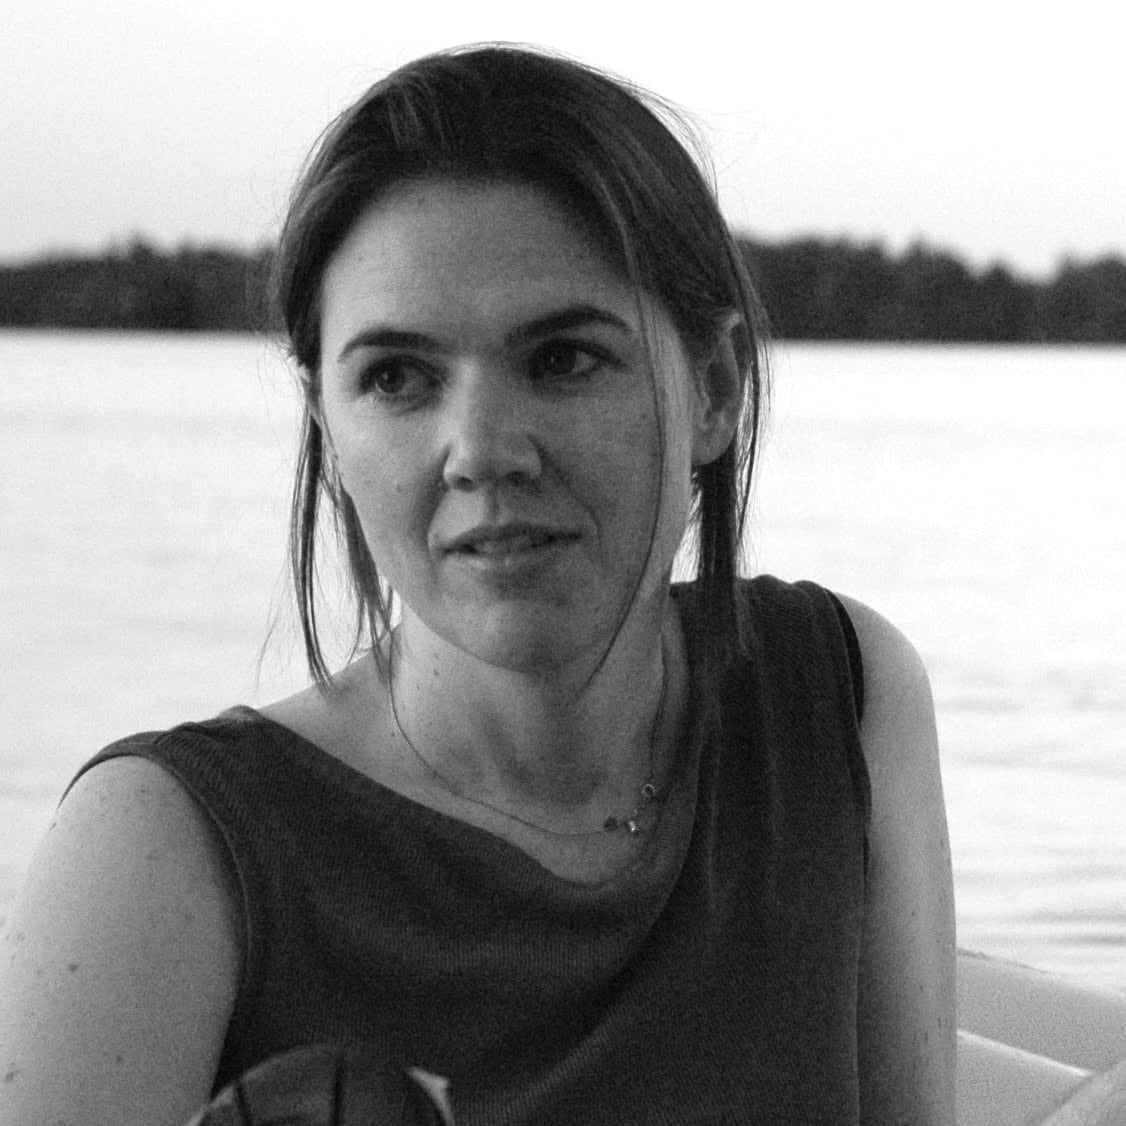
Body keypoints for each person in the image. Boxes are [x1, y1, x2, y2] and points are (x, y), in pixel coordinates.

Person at [0, 44, 956, 1124]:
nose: (481, 449)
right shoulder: (164, 853)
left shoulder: (836, 700)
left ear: (717, 390)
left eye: (562, 359)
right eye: (398, 378)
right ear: (330, 424)